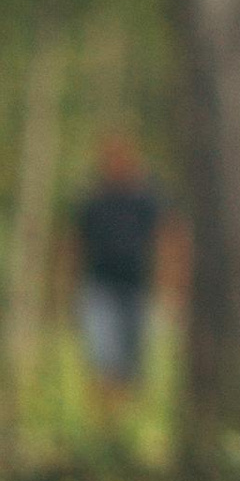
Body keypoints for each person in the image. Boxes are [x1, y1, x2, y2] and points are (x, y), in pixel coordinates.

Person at [69, 134, 166, 413]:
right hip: (99, 287)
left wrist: (168, 281)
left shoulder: (145, 199)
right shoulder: (92, 200)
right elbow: (75, 243)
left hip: (136, 287)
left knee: (132, 362)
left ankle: (126, 418)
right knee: (102, 356)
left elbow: (165, 238)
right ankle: (105, 418)